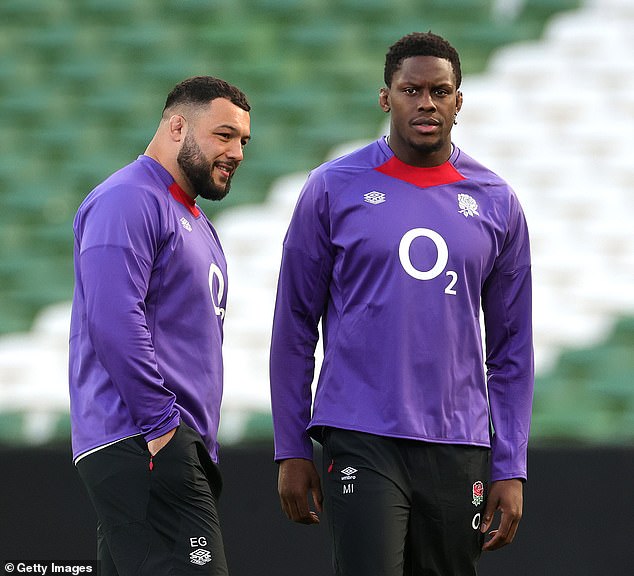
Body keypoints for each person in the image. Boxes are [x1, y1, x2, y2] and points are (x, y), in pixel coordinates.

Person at [269, 32, 533, 575]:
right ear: (386, 97)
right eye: (412, 89)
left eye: (440, 90)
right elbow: (294, 326)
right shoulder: (331, 188)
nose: (427, 103)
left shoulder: (497, 201)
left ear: (460, 99)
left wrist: (511, 465)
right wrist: (291, 448)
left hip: (457, 441)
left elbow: (511, 350)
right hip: (361, 432)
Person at [69, 76, 251, 575]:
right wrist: (161, 427)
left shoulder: (194, 219)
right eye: (223, 135)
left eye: (243, 141)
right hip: (144, 437)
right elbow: (113, 319)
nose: (236, 151)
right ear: (177, 126)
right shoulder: (128, 198)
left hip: (165, 442)